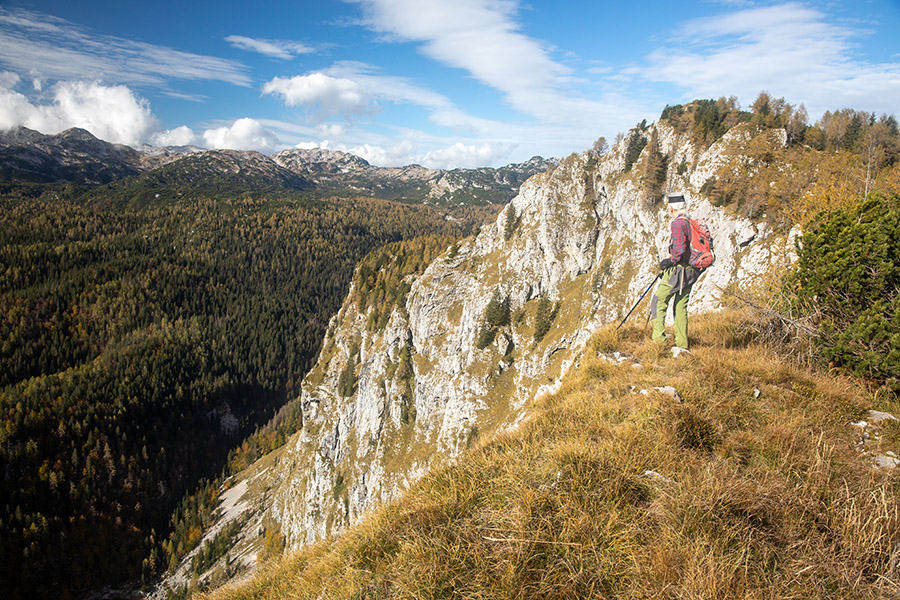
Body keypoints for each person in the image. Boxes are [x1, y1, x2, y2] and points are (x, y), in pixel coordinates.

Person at [650, 193, 702, 356]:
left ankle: (658, 340)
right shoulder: (691, 222)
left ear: (672, 208)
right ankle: (682, 343)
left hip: (678, 270)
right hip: (692, 271)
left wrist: (669, 261)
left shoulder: (678, 224)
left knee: (658, 300)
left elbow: (679, 251)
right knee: (680, 305)